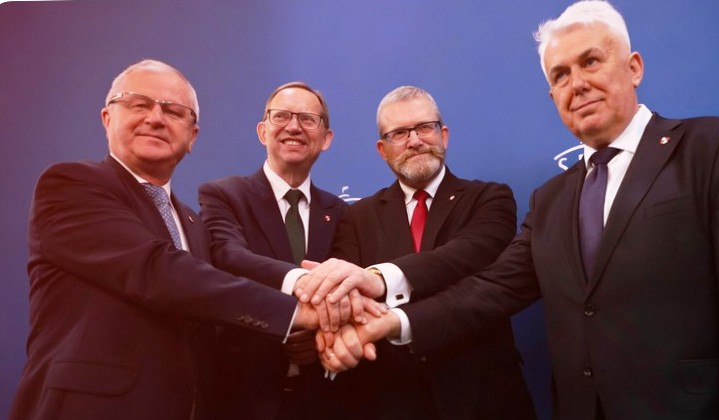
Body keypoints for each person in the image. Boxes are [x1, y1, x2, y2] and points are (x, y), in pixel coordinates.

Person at [317, 1, 719, 419]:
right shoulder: (551, 199)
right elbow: (490, 290)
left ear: (634, 67)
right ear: (552, 96)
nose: (577, 84)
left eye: (591, 61)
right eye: (560, 75)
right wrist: (392, 322)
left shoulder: (715, 149)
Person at [8, 60, 324, 420]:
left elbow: (213, 307)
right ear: (107, 118)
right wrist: (297, 312)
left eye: (173, 111)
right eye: (138, 104)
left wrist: (296, 336)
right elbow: (158, 271)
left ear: (192, 137)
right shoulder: (70, 185)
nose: (155, 118)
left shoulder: (193, 223)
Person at [299, 85, 537, 419]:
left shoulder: (489, 198)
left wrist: (379, 279)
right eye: (399, 133)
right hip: (390, 400)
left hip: (482, 397)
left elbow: (467, 256)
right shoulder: (357, 217)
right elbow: (351, 300)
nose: (415, 141)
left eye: (425, 127)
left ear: (444, 135)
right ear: (382, 149)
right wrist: (336, 334)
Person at [197, 82, 348, 419]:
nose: (293, 127)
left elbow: (346, 287)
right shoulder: (223, 195)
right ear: (263, 131)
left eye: (307, 119)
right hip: (242, 398)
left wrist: (317, 333)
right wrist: (296, 300)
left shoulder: (340, 212)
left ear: (326, 139)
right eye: (281, 116)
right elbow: (229, 257)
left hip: (323, 400)